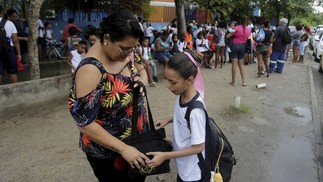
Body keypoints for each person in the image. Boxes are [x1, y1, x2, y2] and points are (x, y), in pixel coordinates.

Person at [68, 10, 151, 182]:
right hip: (111, 153)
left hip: (136, 140)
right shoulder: (91, 70)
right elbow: (85, 124)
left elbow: (141, 69)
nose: (129, 53)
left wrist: (142, 80)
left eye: (132, 48)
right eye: (125, 49)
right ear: (107, 38)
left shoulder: (126, 50)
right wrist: (123, 149)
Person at [146, 50, 207, 182]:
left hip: (193, 173)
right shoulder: (183, 95)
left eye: (172, 82)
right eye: (167, 80)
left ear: (189, 80)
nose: (168, 86)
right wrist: (168, 119)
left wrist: (165, 156)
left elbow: (199, 147)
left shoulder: (196, 111)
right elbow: (184, 116)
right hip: (184, 166)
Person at [226, 16, 250, 86]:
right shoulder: (248, 29)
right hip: (243, 46)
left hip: (235, 45)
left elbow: (228, 36)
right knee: (241, 64)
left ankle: (233, 82)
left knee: (234, 63)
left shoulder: (237, 28)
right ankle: (243, 81)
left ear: (240, 21)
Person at [0, 5, 21, 84]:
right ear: (2, 12)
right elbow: (15, 40)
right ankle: (15, 90)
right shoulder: (9, 23)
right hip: (9, 49)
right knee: (12, 72)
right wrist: (18, 54)